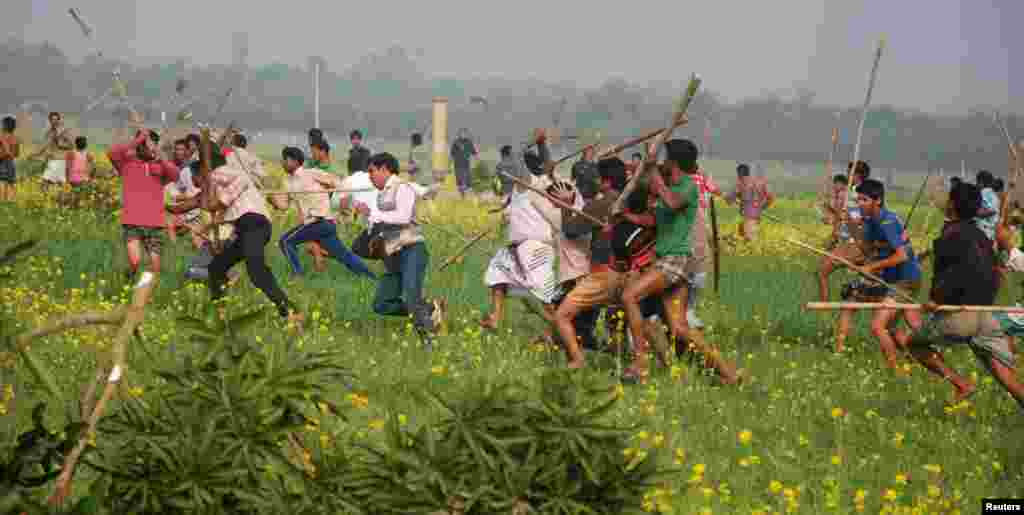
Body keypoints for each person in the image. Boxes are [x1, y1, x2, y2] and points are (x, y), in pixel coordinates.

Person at [619, 139, 739, 385]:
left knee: (629, 296)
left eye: (666, 159)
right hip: (668, 260)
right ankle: (728, 373)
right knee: (679, 328)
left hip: (676, 260)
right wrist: (627, 214)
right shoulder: (670, 183)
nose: (662, 163)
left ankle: (640, 364)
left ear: (674, 162)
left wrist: (654, 172)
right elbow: (654, 216)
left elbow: (672, 203)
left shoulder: (687, 187)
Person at [896, 182, 1024, 410]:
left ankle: (961, 384)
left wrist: (937, 300)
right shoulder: (982, 238)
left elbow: (954, 275)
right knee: (1006, 378)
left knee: (912, 343)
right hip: (986, 316)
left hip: (959, 316)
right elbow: (992, 276)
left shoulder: (950, 235)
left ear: (952, 205)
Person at [168, 140, 301, 324]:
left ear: (200, 171)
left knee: (256, 272)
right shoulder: (210, 187)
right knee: (216, 268)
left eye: (195, 178)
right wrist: (166, 207)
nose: (195, 184)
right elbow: (188, 204)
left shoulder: (219, 174)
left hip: (255, 223)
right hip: (245, 229)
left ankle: (290, 312)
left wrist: (222, 202)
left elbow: (242, 180)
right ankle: (219, 315)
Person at [354, 152, 444, 348]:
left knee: (412, 299)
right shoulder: (381, 194)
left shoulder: (402, 187)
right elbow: (375, 228)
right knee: (382, 304)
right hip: (391, 255)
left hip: (411, 251)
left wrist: (374, 214)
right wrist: (367, 215)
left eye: (372, 171)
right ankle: (428, 309)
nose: (369, 176)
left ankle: (430, 342)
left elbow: (402, 217)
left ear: (385, 169)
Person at [832, 179, 923, 370]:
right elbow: (866, 249)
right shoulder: (871, 221)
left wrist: (872, 268)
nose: (860, 204)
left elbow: (901, 256)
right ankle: (921, 360)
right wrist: (850, 225)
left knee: (877, 326)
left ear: (878, 200)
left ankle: (895, 370)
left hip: (905, 280)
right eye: (858, 200)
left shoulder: (886, 221)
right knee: (890, 328)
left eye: (864, 200)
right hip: (892, 279)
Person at [551, 157, 628, 367]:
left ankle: (578, 360)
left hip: (603, 274)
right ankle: (623, 361)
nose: (596, 183)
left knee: (562, 317)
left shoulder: (602, 204)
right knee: (619, 321)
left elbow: (571, 230)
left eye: (599, 179)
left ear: (607, 182)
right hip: (632, 273)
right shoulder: (630, 200)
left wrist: (566, 206)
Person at [271, 147, 376, 279]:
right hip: (315, 225)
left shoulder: (311, 173)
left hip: (321, 221)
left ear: (293, 161)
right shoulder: (288, 182)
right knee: (344, 255)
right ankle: (370, 277)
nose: (282, 163)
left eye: (284, 160)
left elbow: (337, 182)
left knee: (285, 242)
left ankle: (297, 275)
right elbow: (283, 206)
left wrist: (332, 192)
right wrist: (272, 201)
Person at [108, 129, 180, 280]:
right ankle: (127, 280)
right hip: (132, 221)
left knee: (154, 267)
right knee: (135, 262)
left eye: (150, 146)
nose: (147, 149)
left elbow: (175, 174)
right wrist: (139, 139)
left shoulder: (160, 168)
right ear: (138, 146)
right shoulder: (126, 164)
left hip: (155, 223)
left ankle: (142, 296)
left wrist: (160, 158)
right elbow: (112, 152)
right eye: (144, 145)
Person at [817, 161, 871, 302]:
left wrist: (849, 219)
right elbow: (841, 215)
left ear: (858, 175)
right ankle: (826, 306)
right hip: (846, 241)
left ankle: (825, 306)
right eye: (848, 172)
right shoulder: (849, 193)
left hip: (855, 244)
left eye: (850, 173)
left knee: (822, 272)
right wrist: (831, 212)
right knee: (822, 272)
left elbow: (864, 218)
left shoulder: (863, 193)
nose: (848, 175)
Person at [725, 163, 774, 241]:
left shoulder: (741, 183)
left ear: (740, 173)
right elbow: (771, 198)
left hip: (747, 216)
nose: (738, 177)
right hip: (757, 216)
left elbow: (729, 199)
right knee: (743, 234)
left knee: (749, 239)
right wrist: (761, 208)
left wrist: (729, 198)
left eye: (738, 174)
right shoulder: (760, 182)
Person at [29, 112, 74, 188]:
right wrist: (36, 154)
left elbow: (71, 145)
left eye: (56, 120)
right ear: (50, 121)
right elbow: (45, 146)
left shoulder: (64, 132)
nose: (54, 121)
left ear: (59, 120)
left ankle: (48, 198)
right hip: (52, 160)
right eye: (52, 120)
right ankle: (57, 198)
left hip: (60, 160)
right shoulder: (49, 132)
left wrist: (60, 144)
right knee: (59, 184)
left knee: (45, 183)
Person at [450, 128, 478, 197]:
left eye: (465, 133)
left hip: (466, 163)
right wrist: (449, 164)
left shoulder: (469, 142)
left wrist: (477, 159)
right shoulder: (456, 142)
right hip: (458, 164)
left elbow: (474, 152)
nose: (463, 135)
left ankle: (467, 192)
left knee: (467, 179)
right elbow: (452, 154)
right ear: (459, 134)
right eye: (462, 133)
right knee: (459, 179)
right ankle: (462, 194)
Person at [0, 116, 21, 201]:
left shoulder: (2, 137)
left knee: (3, 182)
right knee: (11, 182)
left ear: (4, 126)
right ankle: (13, 200)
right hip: (11, 163)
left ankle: (3, 200)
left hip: (3, 162)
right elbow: (16, 154)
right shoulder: (15, 138)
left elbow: (4, 152)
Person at [975, 170, 999, 242]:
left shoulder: (984, 192)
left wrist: (975, 212)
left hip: (983, 231)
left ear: (981, 182)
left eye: (977, 182)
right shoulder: (993, 194)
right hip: (991, 232)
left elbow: (992, 210)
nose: (976, 184)